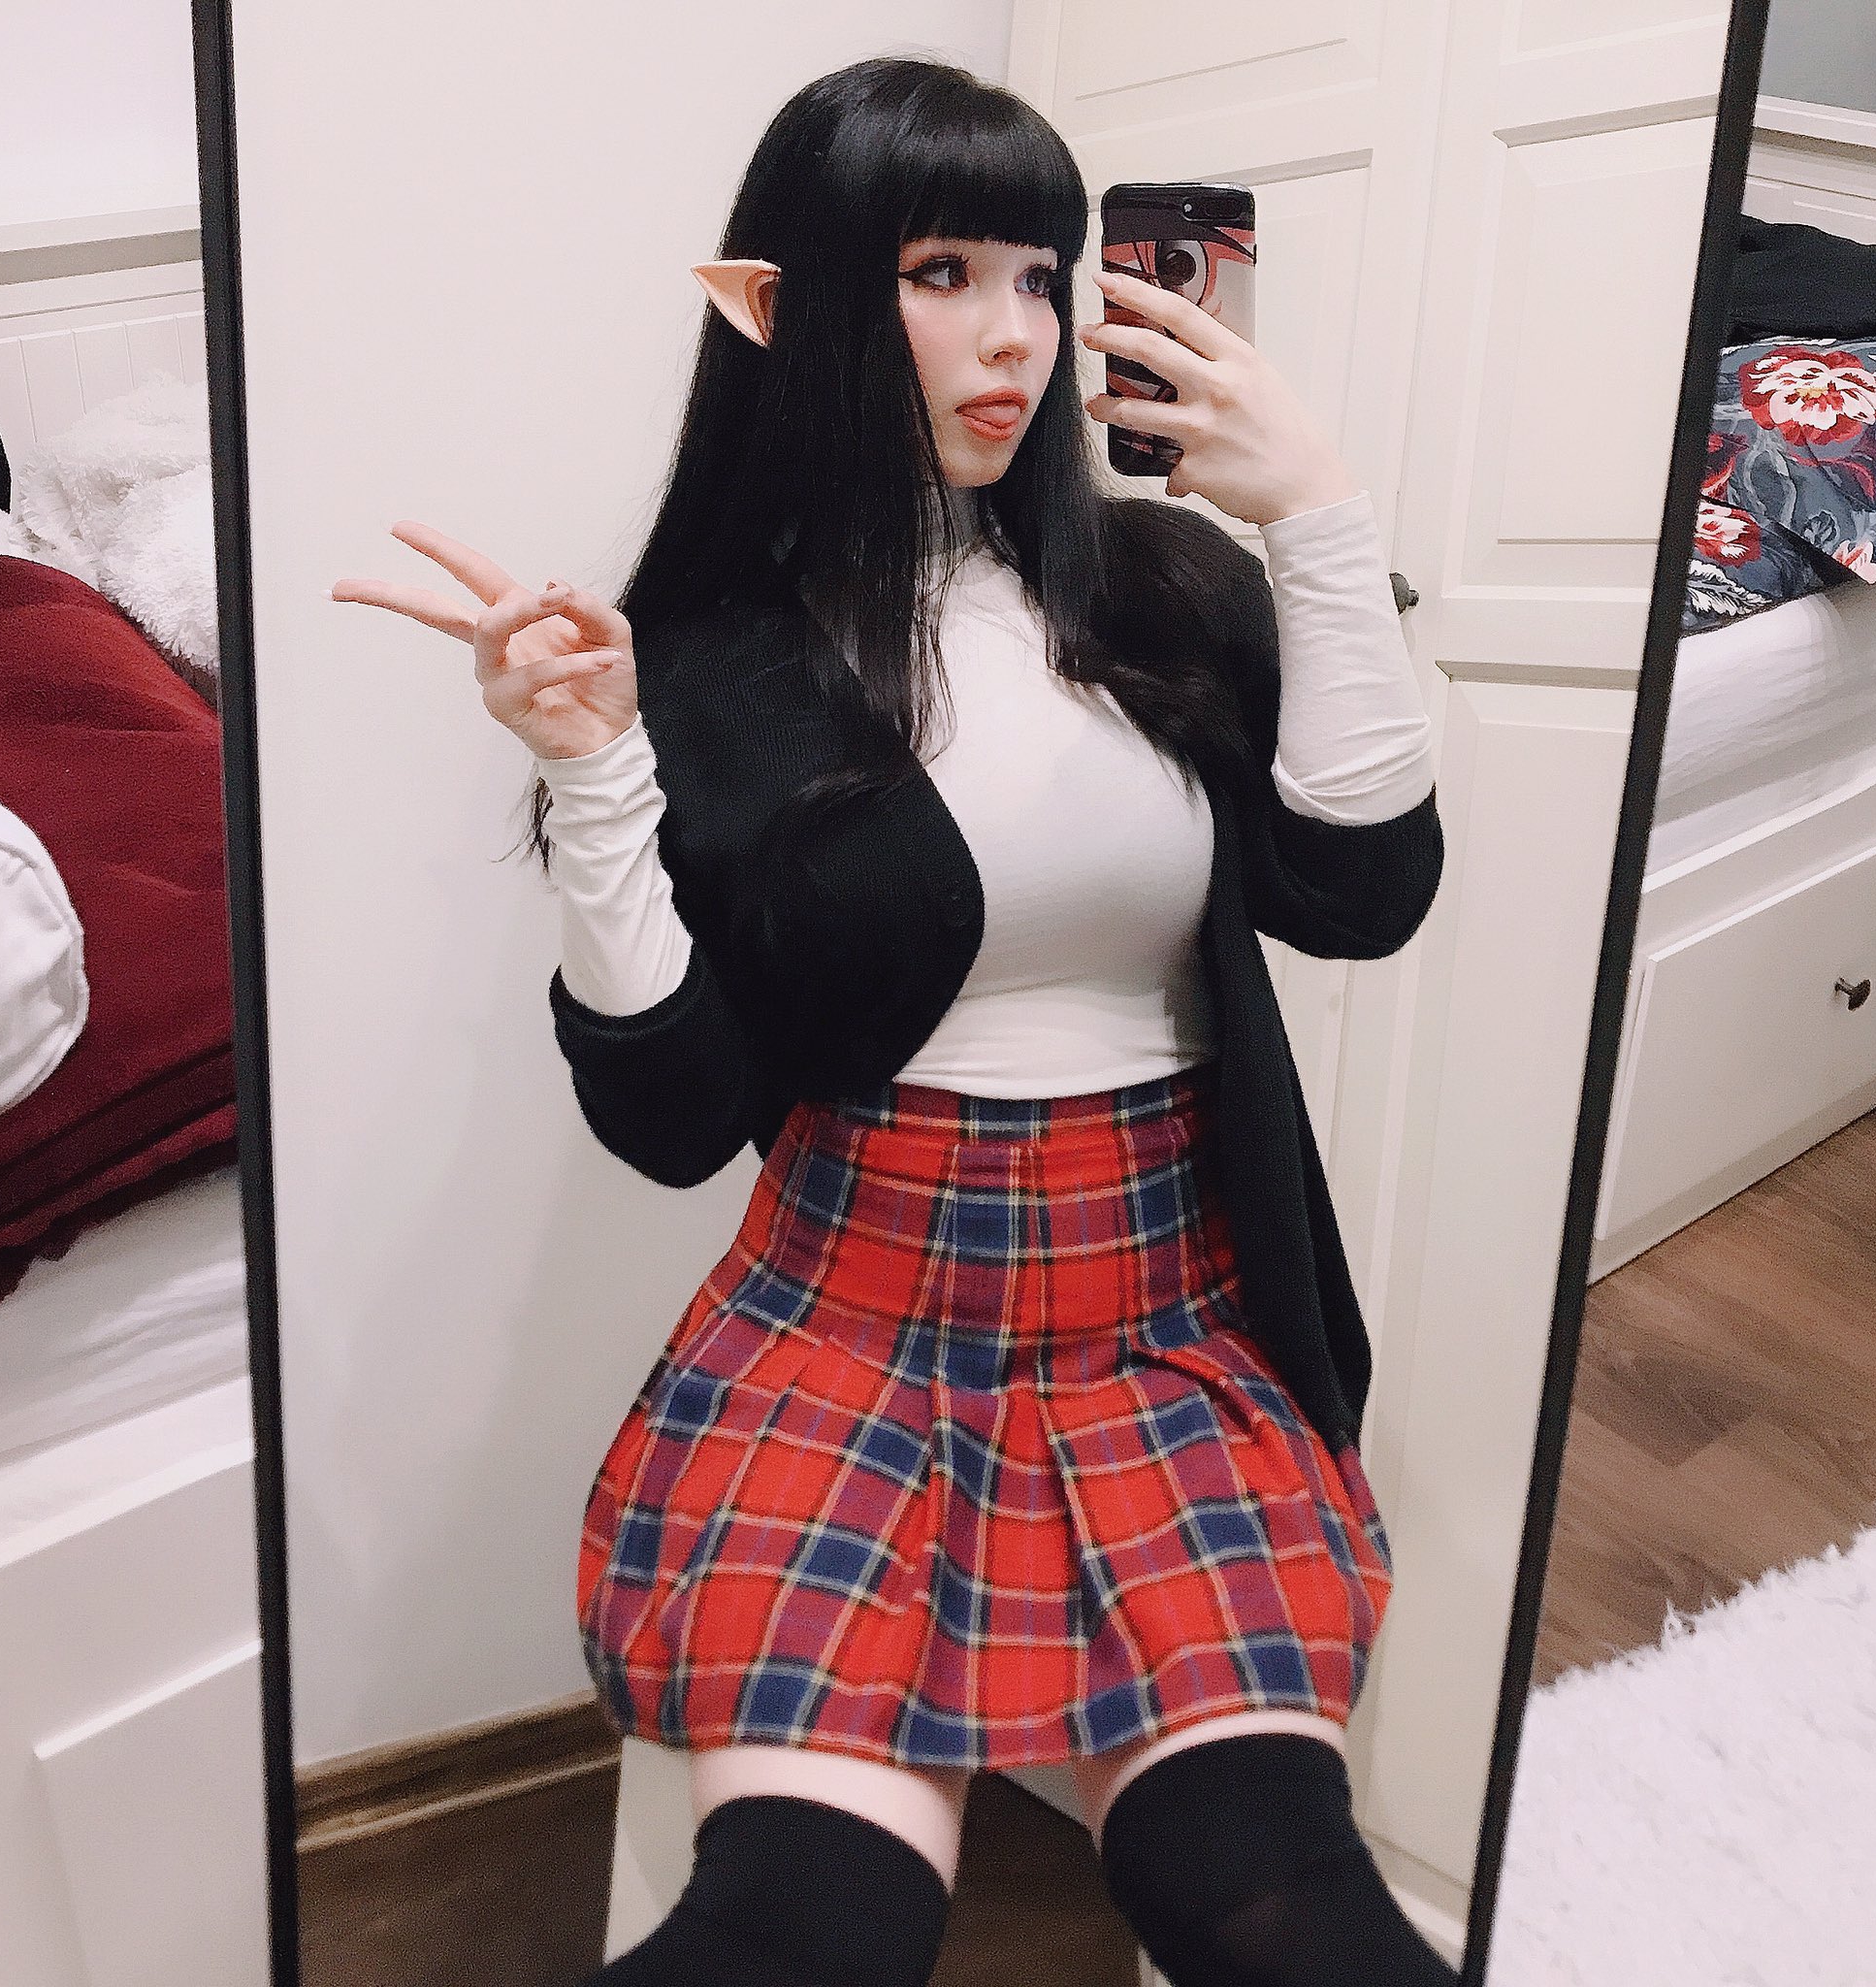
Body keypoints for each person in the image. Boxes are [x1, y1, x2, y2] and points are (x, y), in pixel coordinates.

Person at [334, 53, 1457, 1987]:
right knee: (807, 1923)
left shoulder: (1166, 588)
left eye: (1042, 274)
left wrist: (1323, 527)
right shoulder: (708, 662)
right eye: (942, 273)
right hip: (847, 1344)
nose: (1014, 335)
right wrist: (597, 774)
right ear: (773, 305)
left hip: (1169, 1342)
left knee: (1266, 1892)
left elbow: (1363, 895)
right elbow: (675, 1118)